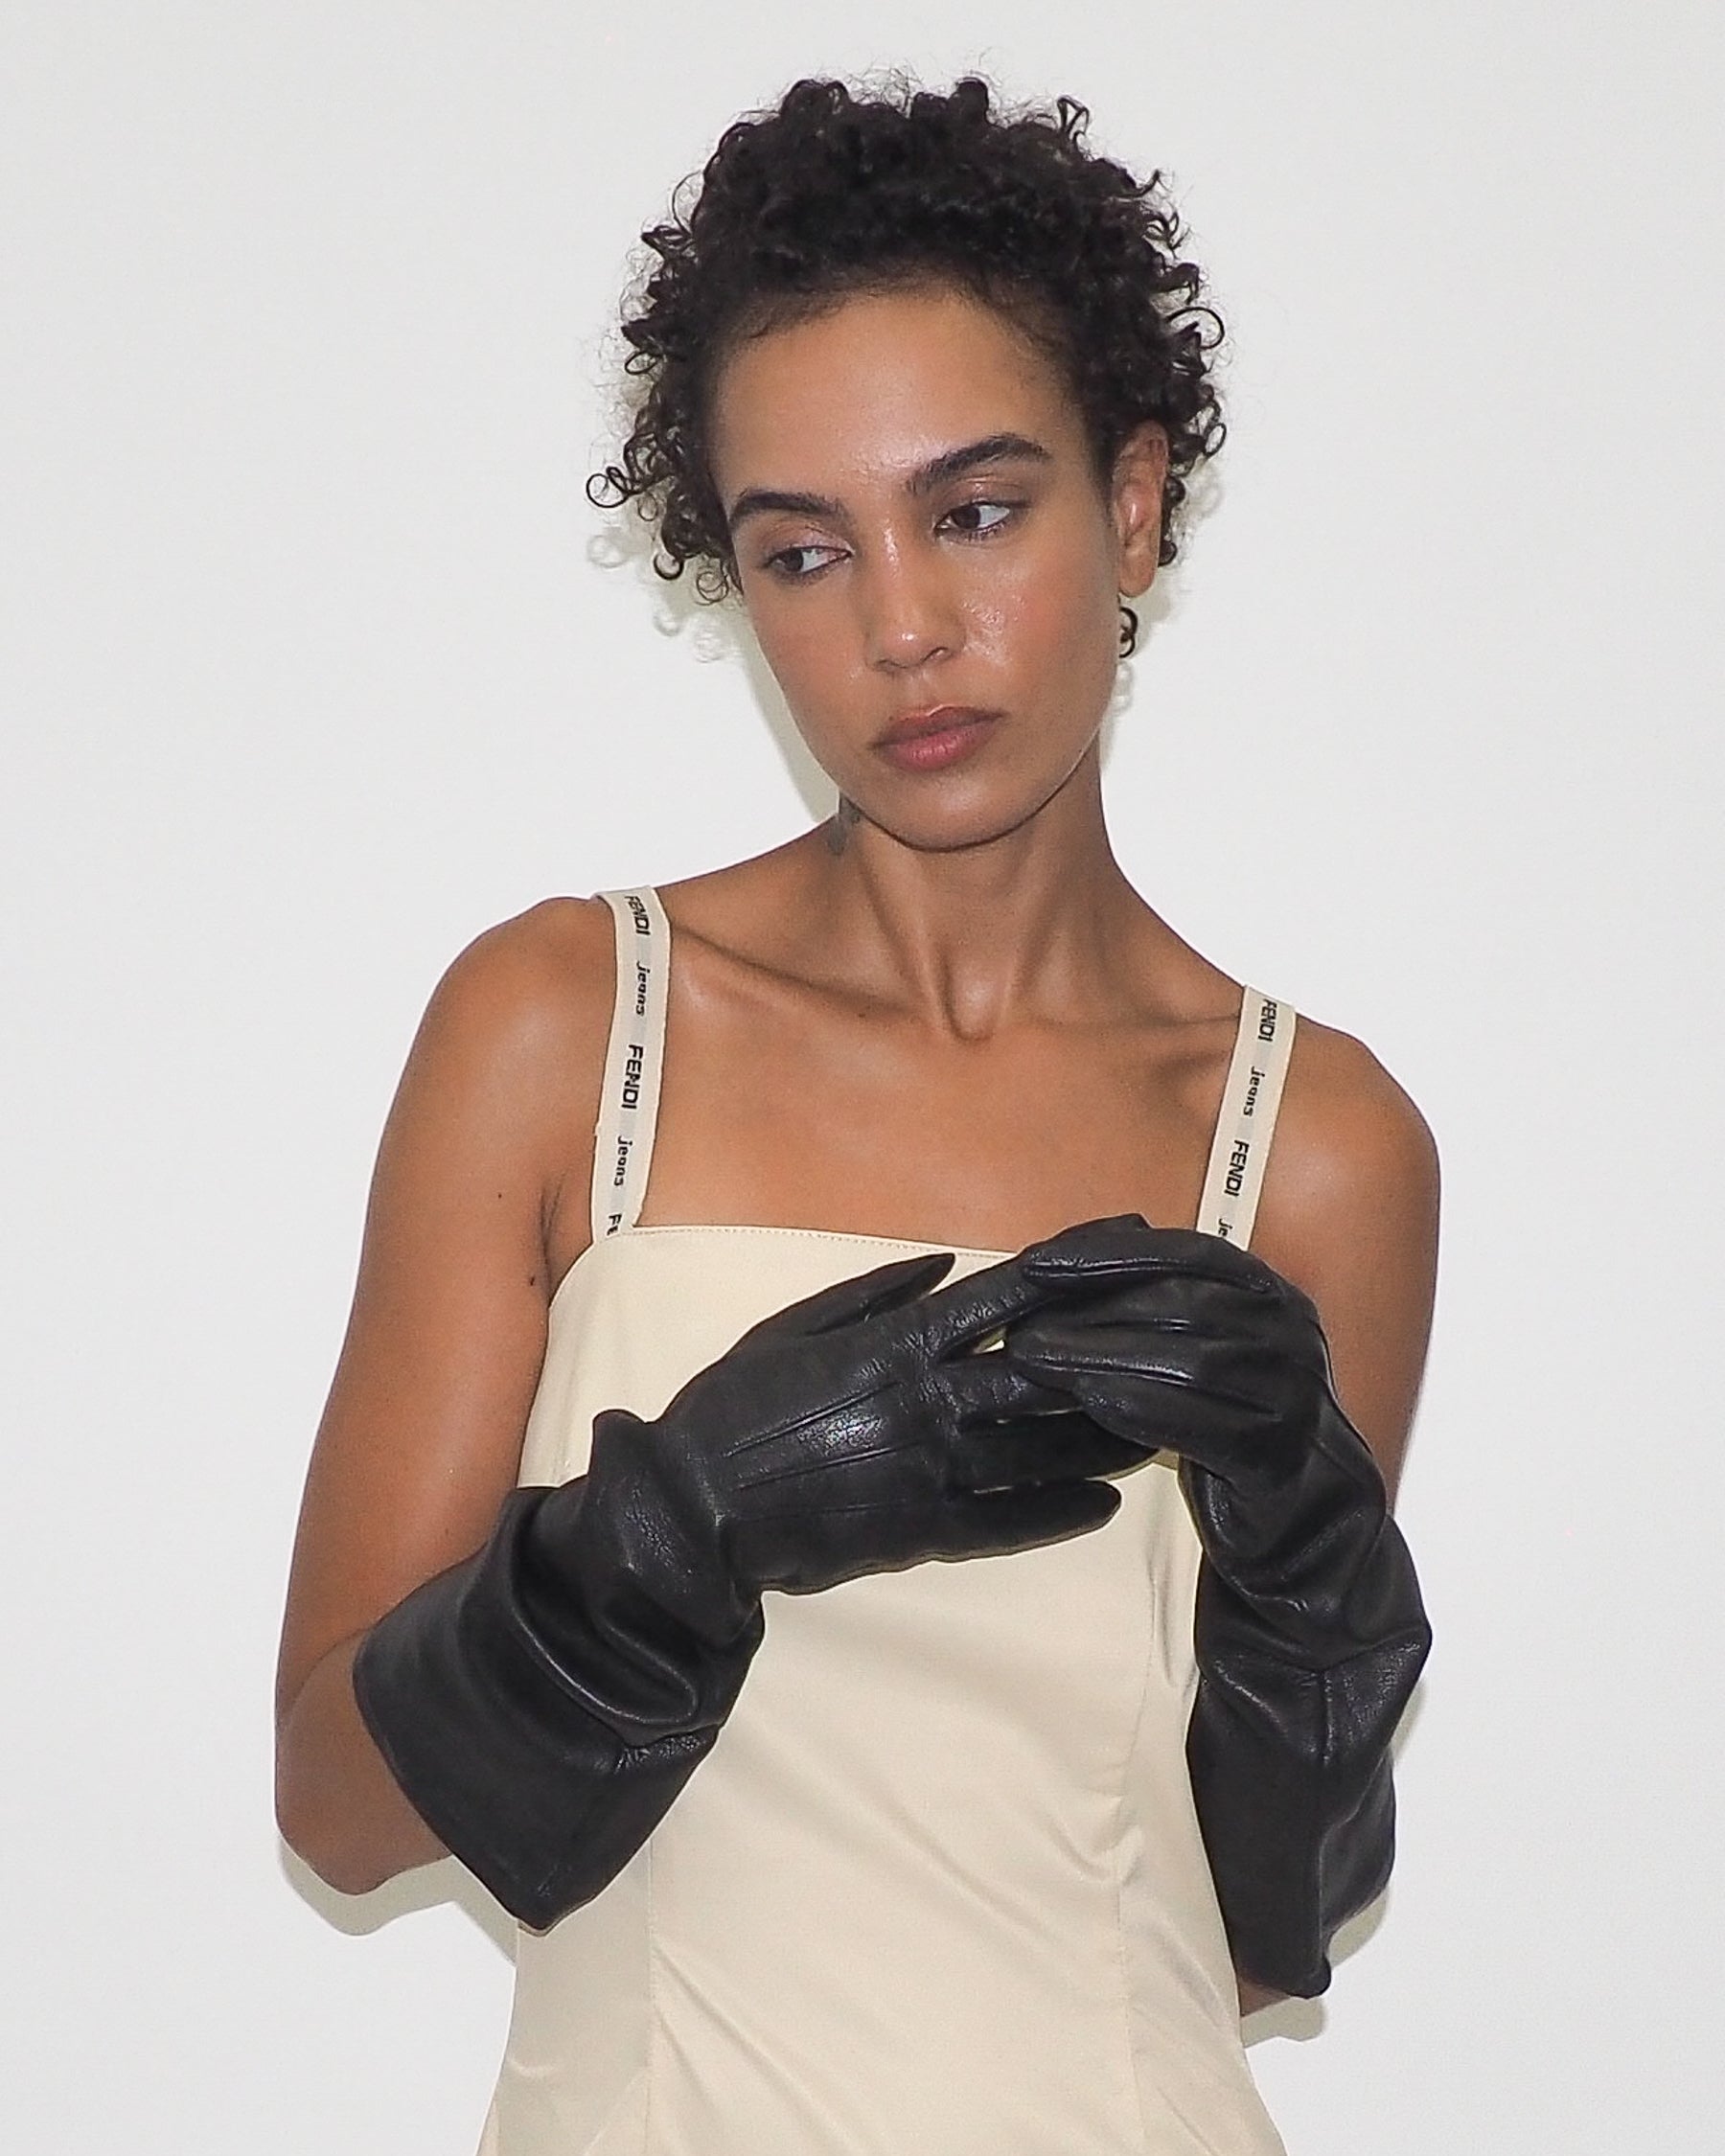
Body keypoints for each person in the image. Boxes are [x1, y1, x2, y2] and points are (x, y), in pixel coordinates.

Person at [275, 77, 1437, 2156]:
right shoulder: (564, 1029)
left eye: (976, 511)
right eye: (800, 551)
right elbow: (338, 1811)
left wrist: (1315, 1588)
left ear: (1137, 502)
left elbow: (1250, 1938)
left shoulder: (1319, 1141)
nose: (898, 626)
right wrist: (681, 1529)